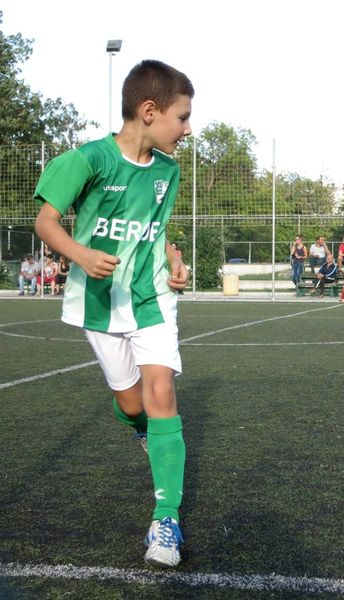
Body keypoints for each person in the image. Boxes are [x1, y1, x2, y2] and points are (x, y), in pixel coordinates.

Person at [33, 59, 193, 568]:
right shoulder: (89, 160)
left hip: (151, 297)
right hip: (100, 302)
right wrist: (80, 255)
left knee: (160, 391)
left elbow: (155, 229)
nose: (188, 129)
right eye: (182, 117)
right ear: (149, 111)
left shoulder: (168, 171)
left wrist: (173, 260)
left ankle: (166, 519)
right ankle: (143, 429)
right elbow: (46, 221)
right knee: (130, 403)